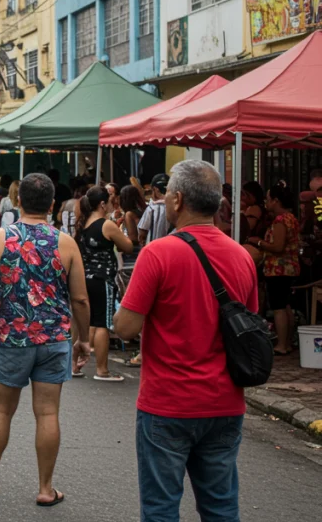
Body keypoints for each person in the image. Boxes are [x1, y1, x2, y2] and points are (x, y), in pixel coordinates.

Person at [113, 160, 258, 521]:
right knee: (221, 506)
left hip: (168, 402)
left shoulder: (159, 253)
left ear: (176, 200)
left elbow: (126, 328)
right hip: (225, 402)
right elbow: (250, 325)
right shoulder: (242, 256)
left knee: (161, 508)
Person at [0, 173, 91, 507]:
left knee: (1, 410)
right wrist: (84, 340)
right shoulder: (66, 243)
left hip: (12, 338)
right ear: (52, 205)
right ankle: (46, 489)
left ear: (18, 201)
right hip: (54, 339)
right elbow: (80, 300)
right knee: (48, 414)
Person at [75, 186, 133, 381]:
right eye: (109, 201)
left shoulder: (82, 223)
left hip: (85, 279)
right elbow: (127, 245)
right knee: (102, 324)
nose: (111, 204)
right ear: (102, 204)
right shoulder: (106, 225)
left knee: (83, 323)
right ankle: (102, 370)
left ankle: (74, 367)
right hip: (103, 280)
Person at [247, 184, 300, 355]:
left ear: (276, 201)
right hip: (288, 267)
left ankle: (282, 344)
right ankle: (288, 341)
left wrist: (259, 242)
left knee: (278, 306)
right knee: (285, 305)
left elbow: (277, 246)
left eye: (268, 199)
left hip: (278, 269)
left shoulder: (280, 220)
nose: (266, 202)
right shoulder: (291, 218)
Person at [138, 173, 170, 245]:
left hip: (154, 249)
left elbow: (142, 232)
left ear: (155, 189)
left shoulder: (152, 208)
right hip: (172, 249)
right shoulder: (177, 208)